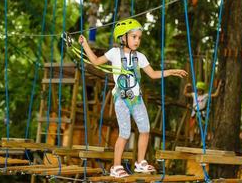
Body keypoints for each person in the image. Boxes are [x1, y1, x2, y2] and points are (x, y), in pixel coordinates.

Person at [78, 18, 188, 178]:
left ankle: (140, 162)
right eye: (134, 37)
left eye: (139, 37)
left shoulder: (140, 57)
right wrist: (85, 44)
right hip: (122, 99)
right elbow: (95, 62)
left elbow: (153, 74)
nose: (137, 40)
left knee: (145, 129)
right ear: (123, 38)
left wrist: (170, 71)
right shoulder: (114, 53)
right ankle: (116, 166)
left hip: (136, 99)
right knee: (125, 132)